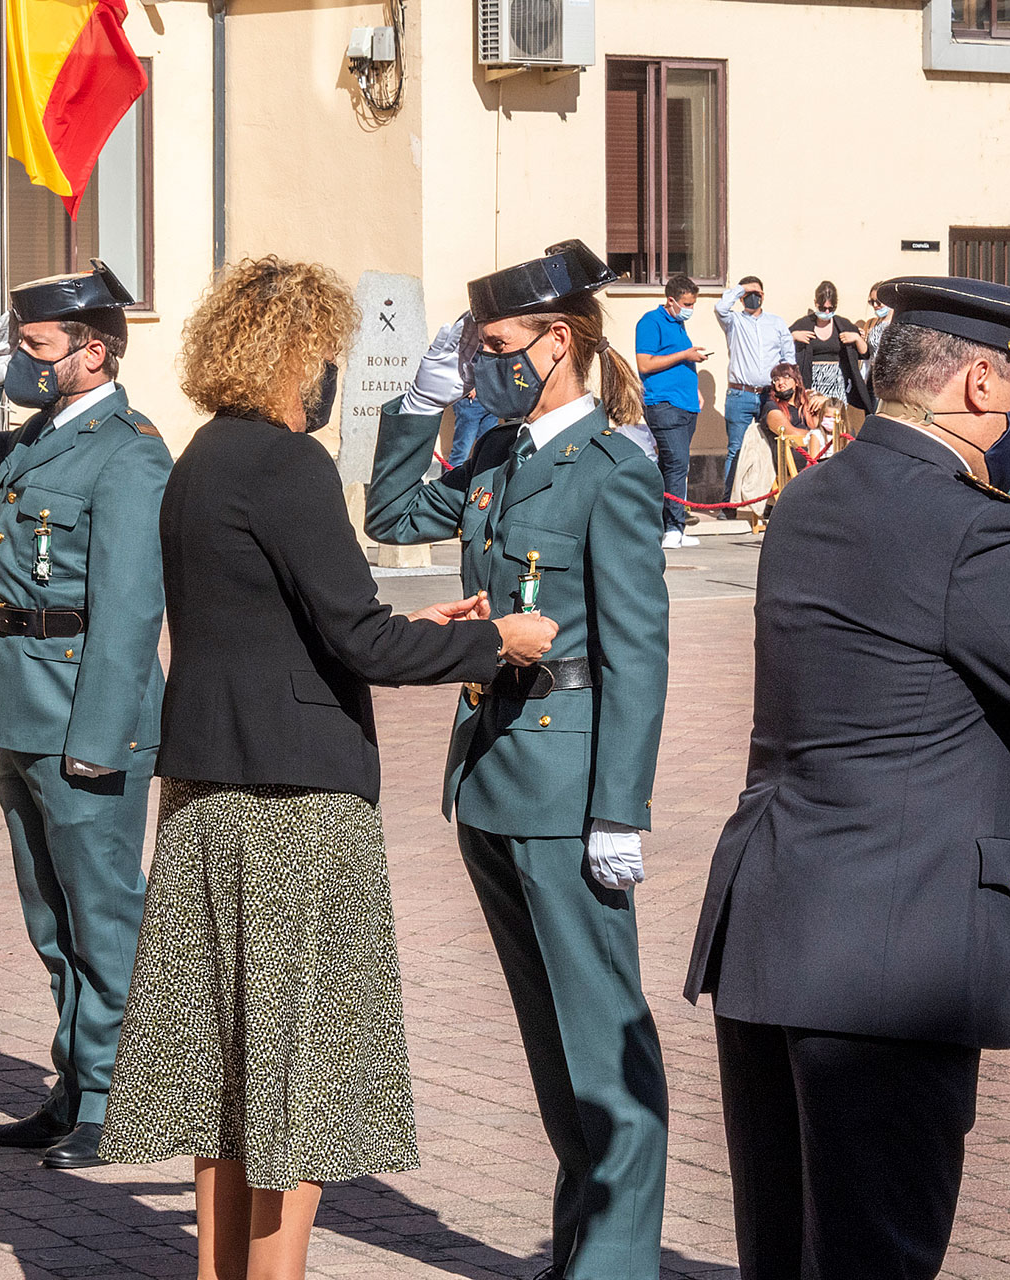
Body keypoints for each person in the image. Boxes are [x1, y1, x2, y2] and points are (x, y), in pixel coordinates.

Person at [687, 275, 1010, 1280]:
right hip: (892, 946)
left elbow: (906, 643)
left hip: (778, 921)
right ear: (976, 384)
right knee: (878, 1252)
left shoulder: (813, 493)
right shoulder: (976, 525)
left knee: (787, 1250)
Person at [97, 256, 556, 1280]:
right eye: (325, 357)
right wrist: (497, 641)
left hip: (206, 792)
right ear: (292, 357)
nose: (331, 379)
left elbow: (284, 624)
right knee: (301, 1076)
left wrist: (423, 628)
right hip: (295, 801)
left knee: (225, 1074)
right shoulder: (289, 463)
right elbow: (362, 643)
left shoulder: (203, 455)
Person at [367, 240, 672, 1280]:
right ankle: (584, 1239)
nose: (482, 364)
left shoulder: (612, 468)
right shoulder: (500, 453)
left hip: (565, 778)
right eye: (473, 349)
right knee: (553, 1041)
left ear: (559, 342)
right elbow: (393, 514)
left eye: (496, 347)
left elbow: (637, 650)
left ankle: (617, 1262)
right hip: (492, 770)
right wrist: (420, 406)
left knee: (602, 1036)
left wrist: (619, 806)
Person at [0, 261, 169, 1172]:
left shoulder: (130, 450)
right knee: (51, 918)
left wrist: (100, 741)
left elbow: (130, 610)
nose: (25, 362)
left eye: (36, 346)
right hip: (22, 703)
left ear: (92, 352)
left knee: (103, 915)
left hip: (82, 715)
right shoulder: (38, 434)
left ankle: (116, 1097)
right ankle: (74, 1084)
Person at [635, 273, 710, 548]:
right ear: (671, 300)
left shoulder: (679, 325)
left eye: (693, 304)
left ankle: (667, 524)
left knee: (672, 465)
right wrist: (686, 355)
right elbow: (645, 363)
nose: (690, 309)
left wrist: (695, 388)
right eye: (687, 304)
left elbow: (679, 365)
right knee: (677, 464)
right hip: (664, 404)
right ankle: (673, 528)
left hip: (686, 404)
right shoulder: (650, 322)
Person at [715, 275, 795, 498]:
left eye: (757, 294)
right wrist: (740, 289)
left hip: (770, 395)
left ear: (763, 296)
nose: (753, 298)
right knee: (736, 449)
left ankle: (769, 502)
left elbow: (789, 357)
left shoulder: (776, 323)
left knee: (773, 446)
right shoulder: (733, 322)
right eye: (748, 295)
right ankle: (729, 505)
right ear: (741, 298)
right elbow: (720, 307)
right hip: (740, 394)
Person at [789, 280, 876, 415]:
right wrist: (793, 336)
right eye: (823, 308)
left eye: (831, 308)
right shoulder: (803, 324)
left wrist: (857, 338)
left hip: (837, 383)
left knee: (835, 419)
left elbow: (865, 354)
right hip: (811, 382)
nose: (827, 312)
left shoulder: (843, 325)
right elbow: (780, 345)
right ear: (815, 303)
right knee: (814, 418)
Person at [446, 389, 497, 466]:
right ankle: (452, 473)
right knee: (462, 452)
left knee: (488, 450)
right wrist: (469, 387)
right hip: (470, 401)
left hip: (491, 399)